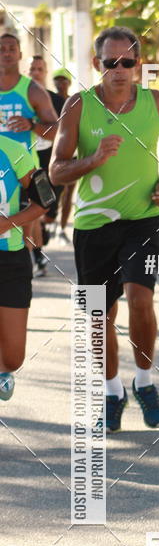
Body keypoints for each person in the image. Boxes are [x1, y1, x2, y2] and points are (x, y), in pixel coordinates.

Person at [50, 26, 159, 432]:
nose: (121, 70)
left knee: (141, 299)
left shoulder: (157, 103)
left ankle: (144, 383)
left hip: (142, 220)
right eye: (112, 63)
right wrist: (94, 159)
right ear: (97, 65)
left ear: (138, 64)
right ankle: (112, 391)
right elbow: (56, 171)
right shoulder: (78, 106)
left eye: (128, 62)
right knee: (98, 316)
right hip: (92, 227)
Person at [0, 33, 59, 279]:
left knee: (34, 213)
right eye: (1, 48)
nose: (6, 52)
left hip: (25, 165)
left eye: (12, 48)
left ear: (20, 54)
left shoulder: (32, 90)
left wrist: (31, 124)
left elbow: (56, 130)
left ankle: (31, 262)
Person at [0, 135, 51, 401]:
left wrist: (9, 223)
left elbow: (45, 200)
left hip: (10, 261)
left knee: (13, 358)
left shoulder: (13, 150)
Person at [28, 55, 66, 274]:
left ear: (45, 72)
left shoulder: (58, 101)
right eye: (32, 68)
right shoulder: (21, 97)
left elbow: (65, 133)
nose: (35, 72)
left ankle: (41, 239)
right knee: (31, 212)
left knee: (45, 214)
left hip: (51, 165)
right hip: (27, 165)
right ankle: (37, 258)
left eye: (40, 68)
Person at [52, 68, 74, 245]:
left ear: (69, 82)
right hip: (55, 154)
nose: (60, 83)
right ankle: (52, 221)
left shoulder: (75, 102)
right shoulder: (50, 102)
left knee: (68, 193)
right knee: (56, 192)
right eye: (57, 80)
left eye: (63, 80)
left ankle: (61, 228)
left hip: (74, 154)